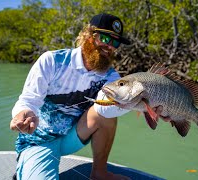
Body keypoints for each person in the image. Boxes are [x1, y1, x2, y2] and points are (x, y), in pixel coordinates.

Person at [10, 13, 133, 180]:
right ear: (89, 36)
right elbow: (28, 100)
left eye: (115, 42)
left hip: (73, 137)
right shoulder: (52, 60)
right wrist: (23, 113)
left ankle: (99, 173)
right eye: (105, 38)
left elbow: (117, 104)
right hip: (39, 140)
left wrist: (148, 105)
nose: (110, 46)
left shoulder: (111, 76)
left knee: (106, 109)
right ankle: (28, 165)